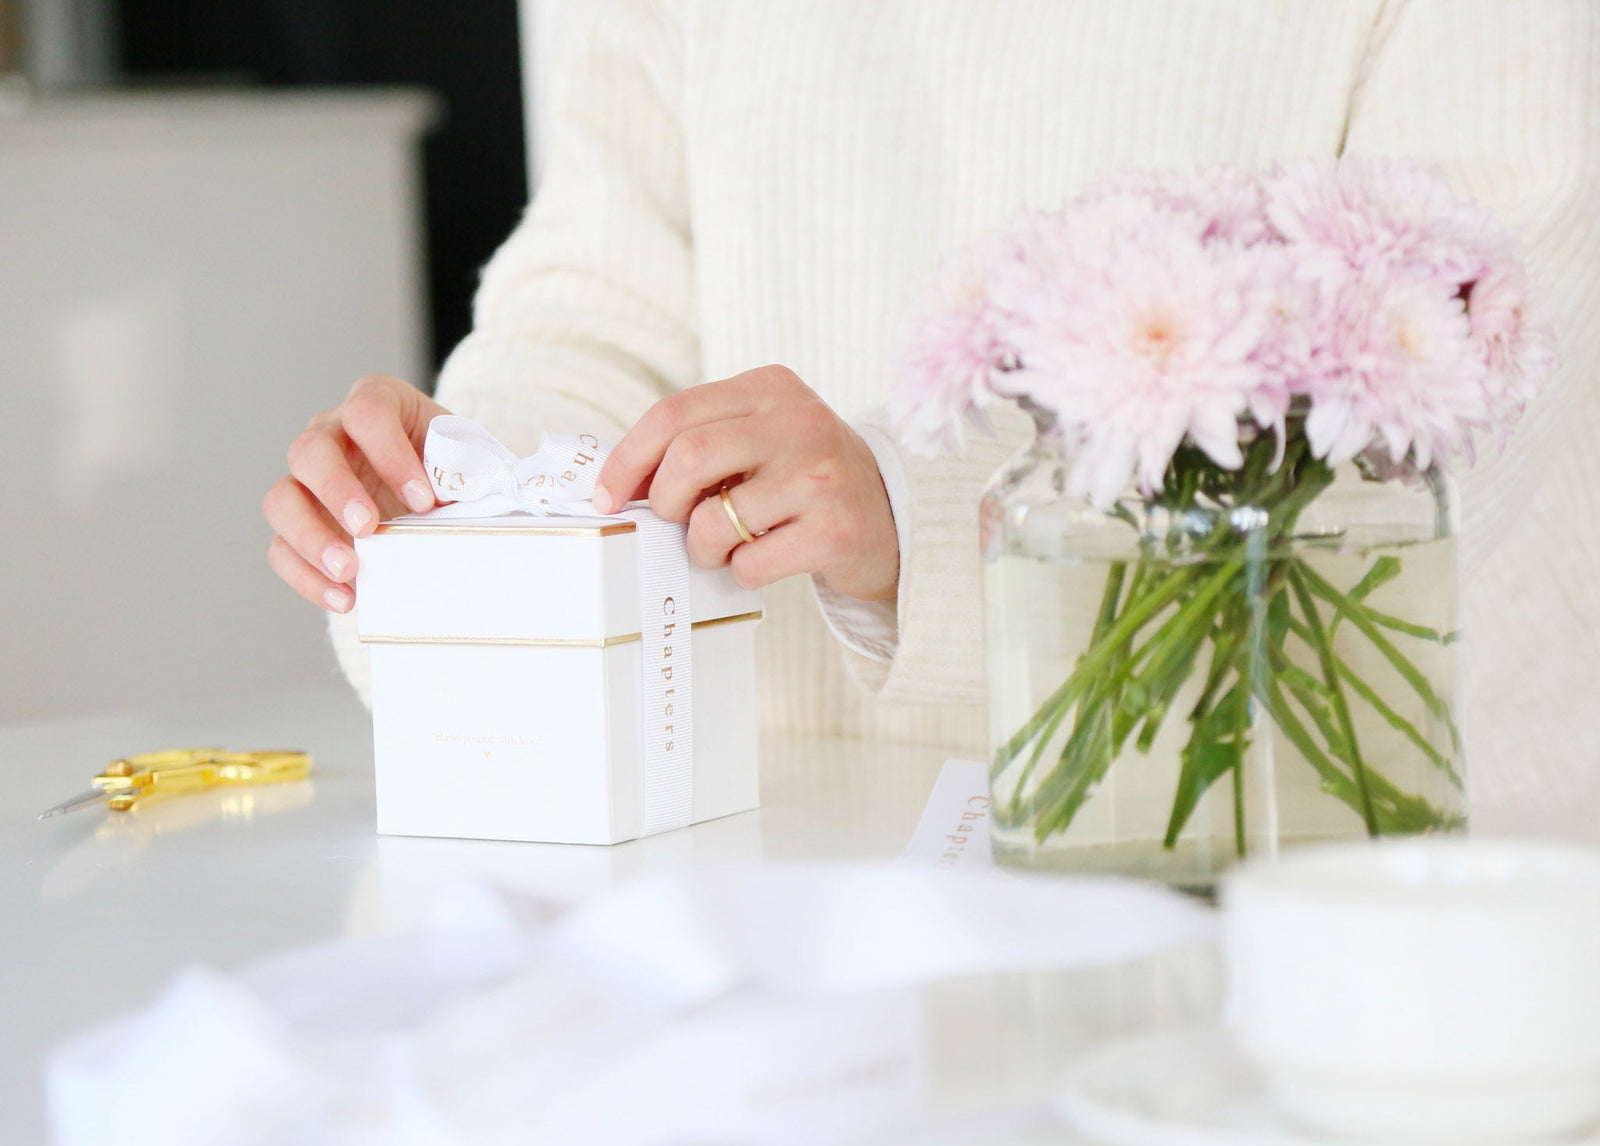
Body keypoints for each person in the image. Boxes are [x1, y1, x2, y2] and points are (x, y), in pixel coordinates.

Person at [264, 0, 1600, 804]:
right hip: (779, 887)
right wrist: (469, 504)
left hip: (1309, 889)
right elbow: (603, 307)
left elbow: (1473, 396)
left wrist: (922, 519)